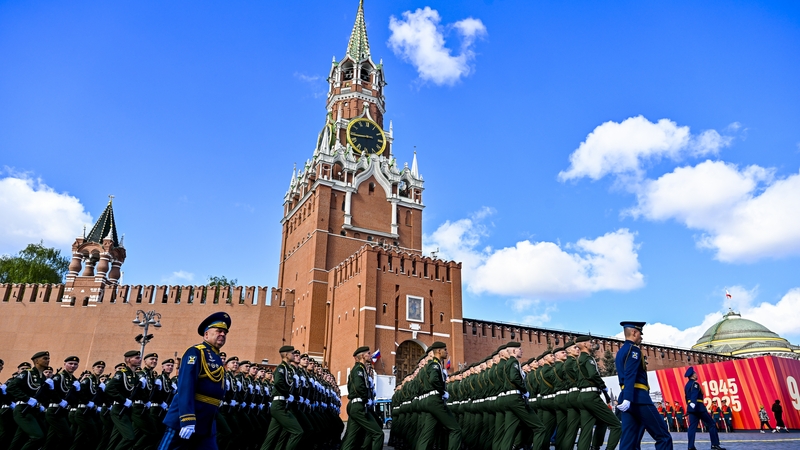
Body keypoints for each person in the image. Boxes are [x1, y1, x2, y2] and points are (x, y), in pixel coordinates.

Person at [159, 311, 230, 449]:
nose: (223, 334)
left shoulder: (216, 357)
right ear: (206, 334)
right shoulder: (196, 352)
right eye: (219, 331)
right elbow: (186, 385)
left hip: (207, 420)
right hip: (189, 417)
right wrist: (187, 418)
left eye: (225, 333)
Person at [615, 321, 673, 450]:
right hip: (638, 398)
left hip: (627, 399)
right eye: (640, 333)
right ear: (634, 332)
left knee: (629, 440)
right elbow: (630, 374)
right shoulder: (633, 350)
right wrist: (629, 398)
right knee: (663, 436)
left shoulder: (621, 351)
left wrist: (626, 398)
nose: (641, 336)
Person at [575, 335, 620, 450]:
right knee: (616, 425)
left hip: (582, 396)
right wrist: (603, 386)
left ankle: (595, 447)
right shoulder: (587, 358)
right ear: (584, 344)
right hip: (591, 396)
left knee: (588, 428)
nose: (592, 344)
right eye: (590, 342)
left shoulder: (579, 360)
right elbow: (593, 374)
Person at [260, 346, 303, 450]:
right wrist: (288, 394)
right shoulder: (281, 368)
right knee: (298, 432)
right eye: (292, 353)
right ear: (286, 355)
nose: (294, 355)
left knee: (272, 437)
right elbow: (279, 382)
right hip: (279, 404)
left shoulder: (288, 369)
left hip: (283, 404)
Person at [341, 346, 384, 450]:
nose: (371, 355)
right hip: (358, 406)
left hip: (357, 406)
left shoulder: (361, 369)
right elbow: (359, 387)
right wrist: (365, 399)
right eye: (368, 353)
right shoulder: (358, 370)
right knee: (378, 434)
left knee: (350, 439)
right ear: (362, 356)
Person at [6, 350, 50, 450]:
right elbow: (11, 387)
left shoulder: (42, 377)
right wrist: (27, 399)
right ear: (36, 361)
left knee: (20, 439)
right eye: (45, 358)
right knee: (37, 437)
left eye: (48, 359)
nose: (48, 361)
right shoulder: (27, 373)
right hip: (23, 409)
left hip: (34, 411)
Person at [106, 350, 143, 450]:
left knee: (115, 439)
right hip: (119, 409)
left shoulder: (135, 375)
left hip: (127, 410)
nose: (139, 359)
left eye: (139, 358)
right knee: (130, 438)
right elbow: (109, 388)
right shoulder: (122, 373)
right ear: (128, 360)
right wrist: (123, 400)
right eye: (136, 358)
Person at [43, 355, 82, 449]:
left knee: (52, 437)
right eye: (70, 364)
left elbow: (75, 398)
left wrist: (78, 390)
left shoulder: (74, 380)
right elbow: (50, 391)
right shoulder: (59, 377)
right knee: (67, 436)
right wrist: (59, 401)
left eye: (75, 364)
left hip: (63, 411)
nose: (73, 366)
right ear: (64, 364)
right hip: (54, 410)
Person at [684, 367, 725, 450]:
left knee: (692, 427)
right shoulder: (695, 384)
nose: (696, 375)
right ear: (693, 376)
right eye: (695, 374)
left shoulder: (687, 385)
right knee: (712, 424)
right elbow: (694, 395)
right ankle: (715, 445)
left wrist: (689, 408)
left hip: (692, 409)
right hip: (699, 408)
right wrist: (693, 404)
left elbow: (686, 397)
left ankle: (690, 446)